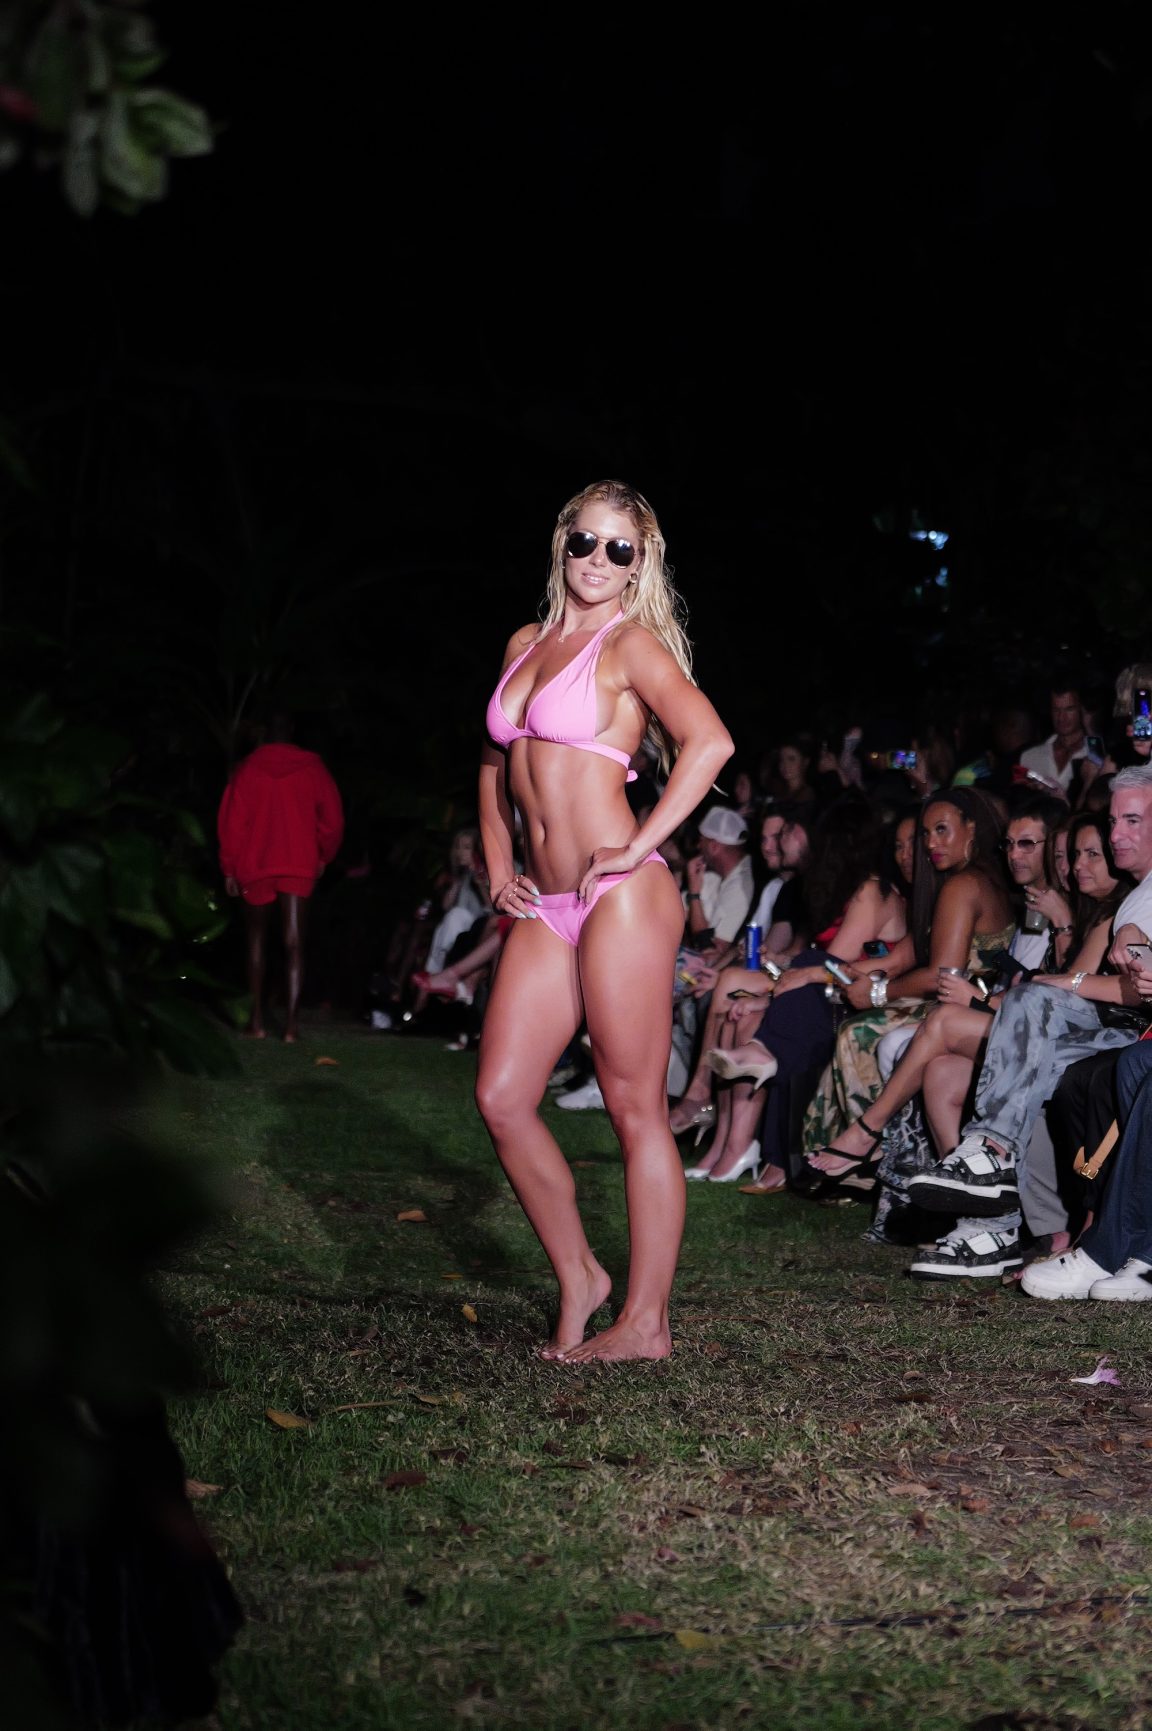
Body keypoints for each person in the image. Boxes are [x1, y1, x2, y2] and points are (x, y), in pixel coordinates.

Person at [476, 479, 733, 1363]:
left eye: (619, 548)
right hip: (545, 904)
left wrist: (638, 844)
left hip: (620, 896)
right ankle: (582, 1276)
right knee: (502, 1097)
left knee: (633, 1106)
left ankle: (646, 1321)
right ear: (563, 543)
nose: (597, 559)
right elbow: (493, 764)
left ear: (639, 562)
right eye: (584, 540)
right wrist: (499, 864)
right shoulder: (524, 643)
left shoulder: (630, 644)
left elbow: (710, 742)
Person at [904, 767, 1152, 1242]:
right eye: (1114, 822)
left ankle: (987, 1163)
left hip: (1129, 1032)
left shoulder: (1124, 905)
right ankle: (987, 1222)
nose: (1116, 835)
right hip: (1101, 1028)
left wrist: (1068, 975)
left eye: (1132, 821)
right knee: (955, 1067)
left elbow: (1133, 984)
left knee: (1013, 1013)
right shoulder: (1129, 901)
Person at [689, 798, 908, 1191]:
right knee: (742, 1007)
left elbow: (832, 965)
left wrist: (770, 992)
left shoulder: (871, 890)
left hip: (856, 999)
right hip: (830, 993)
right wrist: (775, 977)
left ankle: (751, 1140)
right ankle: (729, 1143)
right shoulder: (846, 889)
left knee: (762, 999)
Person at [217, 714, 345, 1043]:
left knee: (256, 941)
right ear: (291, 731)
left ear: (264, 734)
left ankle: (256, 1022)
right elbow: (333, 820)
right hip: (297, 861)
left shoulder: (247, 769)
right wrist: (323, 855)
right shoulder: (313, 768)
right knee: (294, 942)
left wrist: (229, 867)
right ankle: (291, 1027)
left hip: (255, 863)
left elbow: (232, 823)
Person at [1019, 680, 1089, 795]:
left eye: (1069, 709)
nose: (1061, 717)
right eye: (1056, 710)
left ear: (1082, 710)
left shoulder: (1093, 755)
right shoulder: (1029, 756)